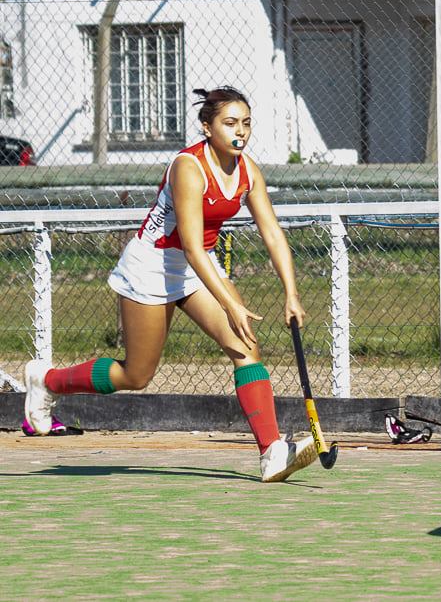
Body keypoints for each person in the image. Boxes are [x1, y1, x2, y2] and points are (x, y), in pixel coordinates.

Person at [23, 86, 317, 483]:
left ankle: (271, 452)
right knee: (136, 375)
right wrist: (229, 302)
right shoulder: (188, 168)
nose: (240, 132)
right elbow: (192, 248)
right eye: (230, 123)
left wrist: (291, 293)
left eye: (246, 123)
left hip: (196, 267)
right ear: (207, 127)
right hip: (153, 265)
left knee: (246, 346)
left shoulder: (248, 170)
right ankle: (47, 381)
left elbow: (272, 233)